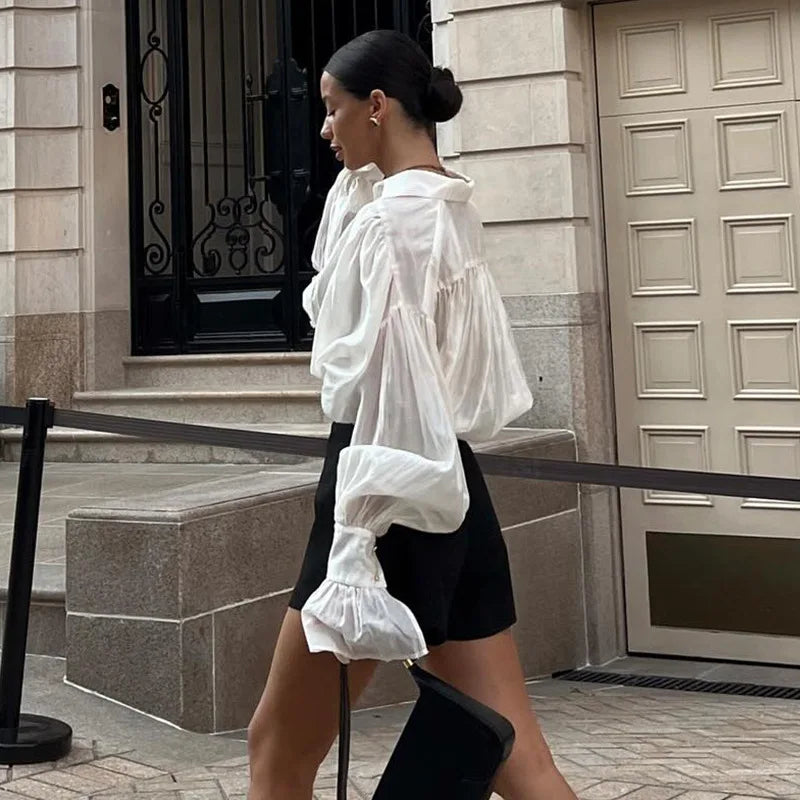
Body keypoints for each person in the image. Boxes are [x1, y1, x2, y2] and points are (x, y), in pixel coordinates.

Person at [247, 29, 578, 800]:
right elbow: (469, 382)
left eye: (332, 109)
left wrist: (355, 547)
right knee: (519, 758)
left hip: (384, 490)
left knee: (278, 749)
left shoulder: (391, 222)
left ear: (377, 106)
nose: (323, 129)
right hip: (451, 484)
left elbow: (396, 392)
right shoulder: (448, 205)